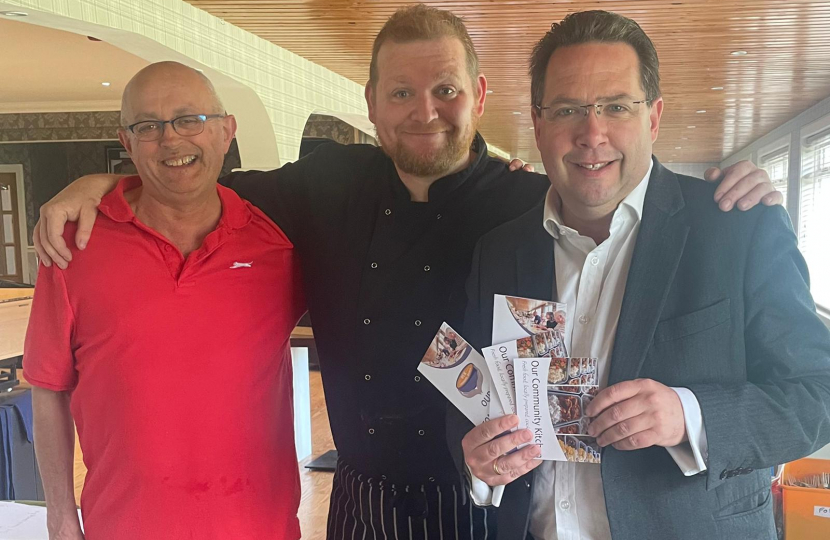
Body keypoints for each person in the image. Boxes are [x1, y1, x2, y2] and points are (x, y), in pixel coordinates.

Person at [32, 5, 782, 538]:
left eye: (446, 90)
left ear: (479, 96)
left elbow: (614, 185)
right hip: (363, 494)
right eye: (401, 93)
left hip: (497, 499)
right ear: (370, 104)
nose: (425, 112)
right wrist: (98, 184)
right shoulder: (321, 184)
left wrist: (719, 187)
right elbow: (192, 181)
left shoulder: (534, 201)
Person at [454, 10, 830, 540]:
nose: (592, 133)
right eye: (567, 109)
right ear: (538, 124)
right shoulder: (498, 250)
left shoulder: (737, 228)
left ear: (652, 118)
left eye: (615, 106)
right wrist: (479, 464)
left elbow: (817, 392)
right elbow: (473, 398)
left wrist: (689, 415)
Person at [24, 63, 305, 540]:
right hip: (124, 526)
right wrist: (59, 514)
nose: (171, 140)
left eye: (189, 119)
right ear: (127, 142)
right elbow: (49, 387)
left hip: (259, 526)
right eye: (148, 126)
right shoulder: (72, 245)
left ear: (225, 131)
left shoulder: (277, 244)